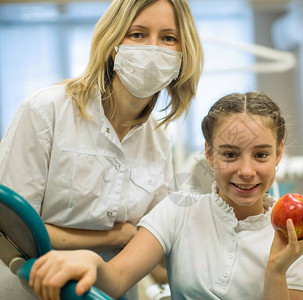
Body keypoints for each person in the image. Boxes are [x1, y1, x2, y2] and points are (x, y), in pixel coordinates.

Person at [28, 91, 303, 300]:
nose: (246, 171)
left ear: (279, 153)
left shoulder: (295, 239)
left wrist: (276, 270)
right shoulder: (177, 211)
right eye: (230, 154)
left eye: (261, 154)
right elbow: (116, 279)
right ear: (209, 154)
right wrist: (91, 262)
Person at [0, 0, 203, 299]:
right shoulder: (46, 111)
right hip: (33, 290)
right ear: (112, 42)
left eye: (168, 38)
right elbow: (16, 230)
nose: (152, 48)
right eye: (137, 34)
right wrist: (115, 236)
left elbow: (152, 245)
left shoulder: (160, 138)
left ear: (183, 55)